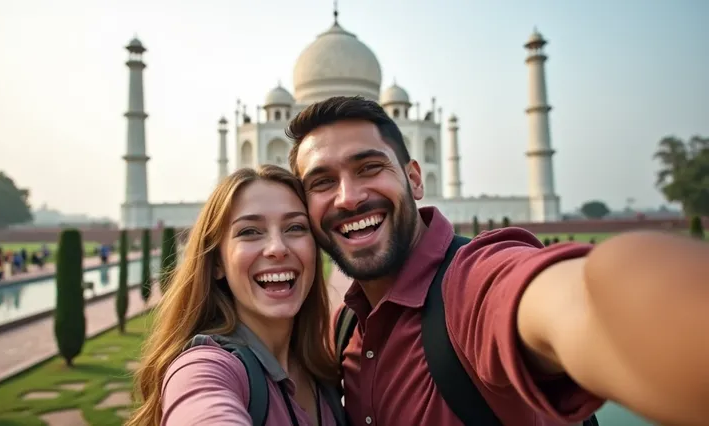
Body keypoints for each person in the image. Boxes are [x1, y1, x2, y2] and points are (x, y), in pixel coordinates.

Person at [286, 96, 709, 426]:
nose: (349, 197)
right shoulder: (346, 328)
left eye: (369, 167)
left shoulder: (472, 285)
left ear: (415, 178)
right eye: (322, 181)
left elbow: (581, 300)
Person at [127, 165, 343, 426]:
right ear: (217, 263)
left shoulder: (321, 369)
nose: (277, 248)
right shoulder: (205, 367)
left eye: (295, 227)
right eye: (250, 231)